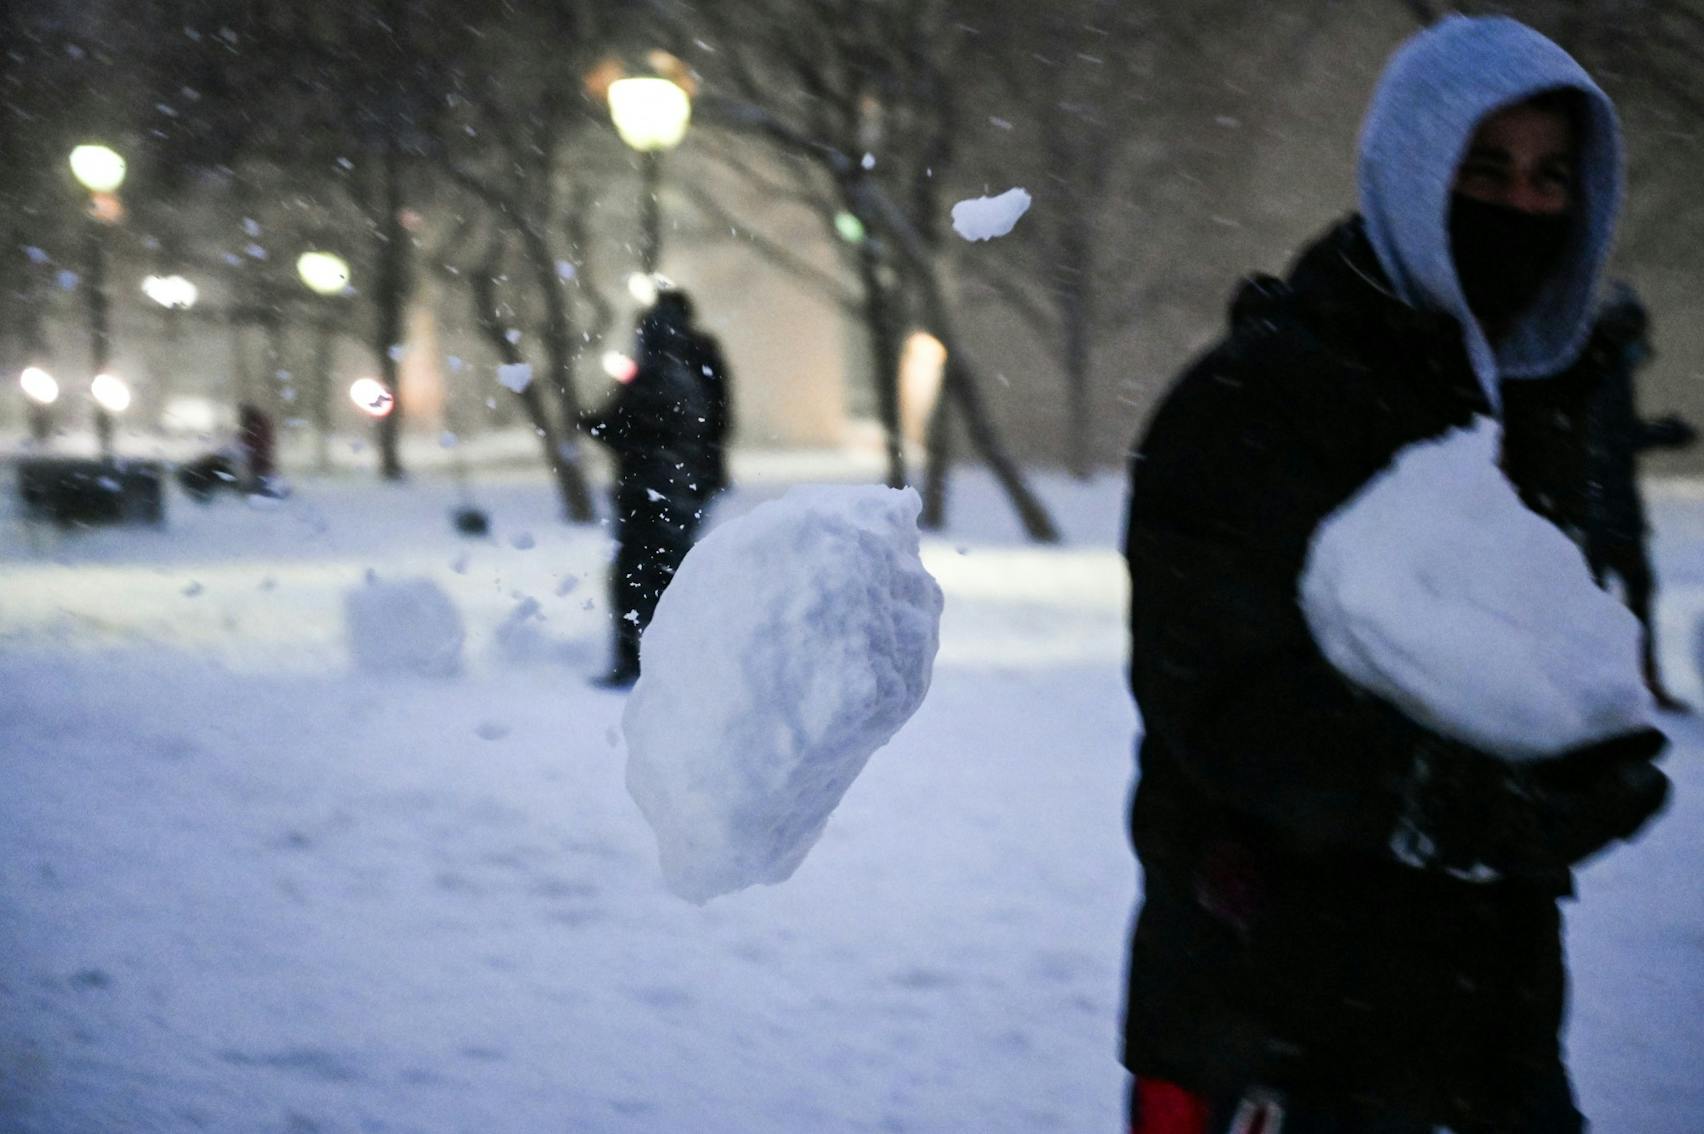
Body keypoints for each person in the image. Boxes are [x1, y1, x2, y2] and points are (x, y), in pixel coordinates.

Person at [1120, 17, 1671, 1133]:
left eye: (1551, 178)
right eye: (1485, 169)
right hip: (1267, 1029)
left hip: (1491, 1040)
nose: (1520, 207)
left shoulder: (1530, 416)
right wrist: (1459, 807)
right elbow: (1221, 699)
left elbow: (1521, 668)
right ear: (1412, 174)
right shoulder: (1257, 399)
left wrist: (1578, 752)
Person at [584, 289, 731, 688]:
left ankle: (638, 660)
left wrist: (594, 424)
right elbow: (715, 420)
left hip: (646, 490)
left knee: (636, 576)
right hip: (683, 488)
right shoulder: (696, 361)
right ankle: (671, 661)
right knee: (670, 574)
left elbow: (626, 428)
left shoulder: (653, 371)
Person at [1575, 282, 1696, 711]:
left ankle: (1637, 679)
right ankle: (1621, 681)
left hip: (1608, 506)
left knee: (1631, 591)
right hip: (1600, 508)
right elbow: (1610, 439)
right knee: (1613, 595)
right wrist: (1661, 433)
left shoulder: (1606, 368)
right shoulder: (1600, 372)